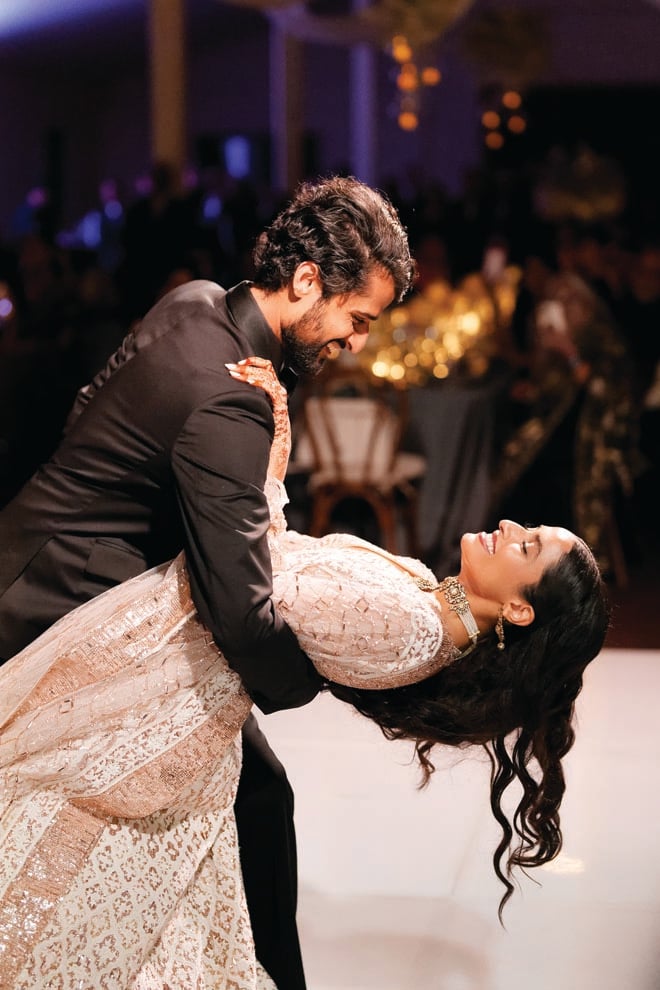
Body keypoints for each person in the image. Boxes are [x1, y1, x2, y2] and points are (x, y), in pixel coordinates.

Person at [0, 355, 609, 987]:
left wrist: (246, 450)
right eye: (528, 529)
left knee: (48, 894)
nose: (510, 527)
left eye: (527, 546)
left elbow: (253, 585)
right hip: (176, 666)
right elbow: (268, 561)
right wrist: (272, 444)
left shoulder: (411, 623)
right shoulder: (429, 602)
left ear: (517, 607)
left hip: (160, 675)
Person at [0, 174, 416, 990]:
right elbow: (244, 615)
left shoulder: (192, 299)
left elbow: (89, 407)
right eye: (356, 318)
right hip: (52, 606)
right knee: (256, 801)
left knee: (236, 801)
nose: (358, 342)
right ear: (306, 282)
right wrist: (337, 680)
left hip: (35, 558)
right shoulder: (232, 399)